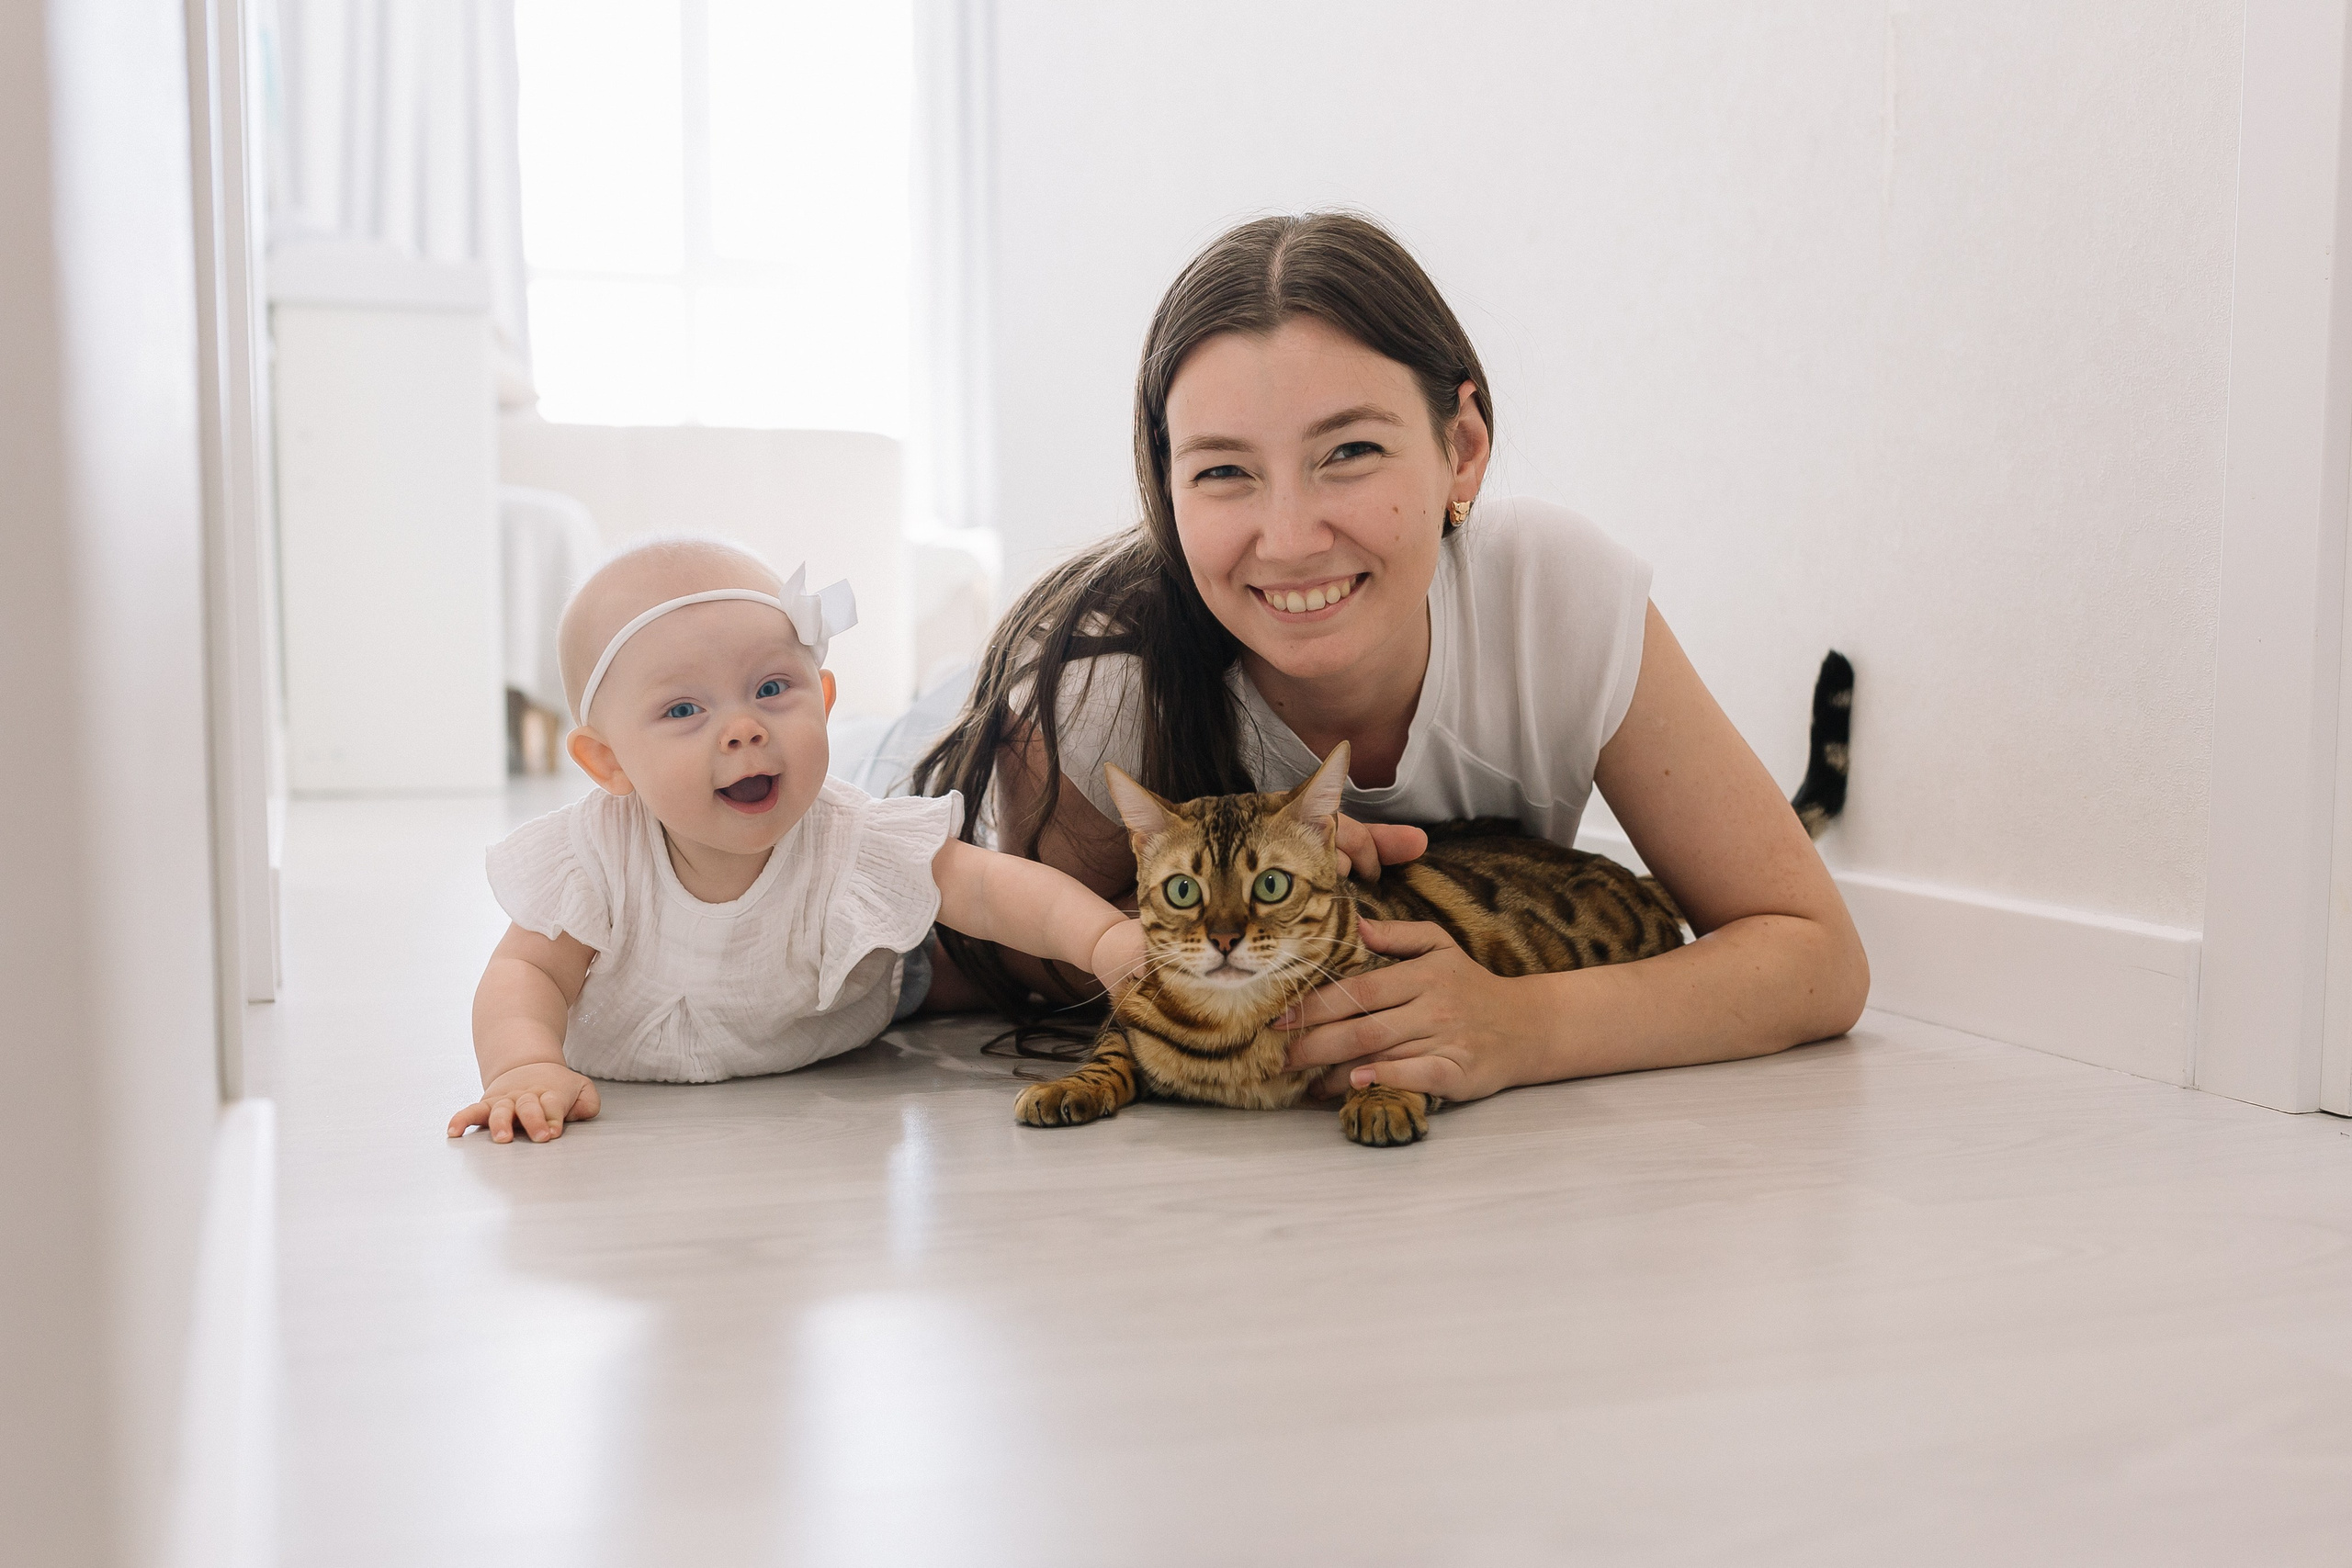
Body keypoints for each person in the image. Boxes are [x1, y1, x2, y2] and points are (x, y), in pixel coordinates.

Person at [913, 211, 1868, 1104]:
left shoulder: (1552, 592)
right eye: (1221, 471)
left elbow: (1817, 959)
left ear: (1462, 447)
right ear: (1164, 488)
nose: (1287, 539)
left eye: (1349, 452)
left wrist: (1519, 1026)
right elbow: (1010, 958)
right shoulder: (1096, 687)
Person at [447, 538, 1144, 1144]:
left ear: (825, 699)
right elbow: (527, 973)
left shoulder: (849, 834)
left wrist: (1104, 940)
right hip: (647, 1040)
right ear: (609, 762)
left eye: (773, 687)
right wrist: (523, 1065)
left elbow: (987, 888)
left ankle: (942, 699)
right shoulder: (597, 856)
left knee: (957, 960)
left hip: (843, 1000)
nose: (744, 728)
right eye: (685, 708)